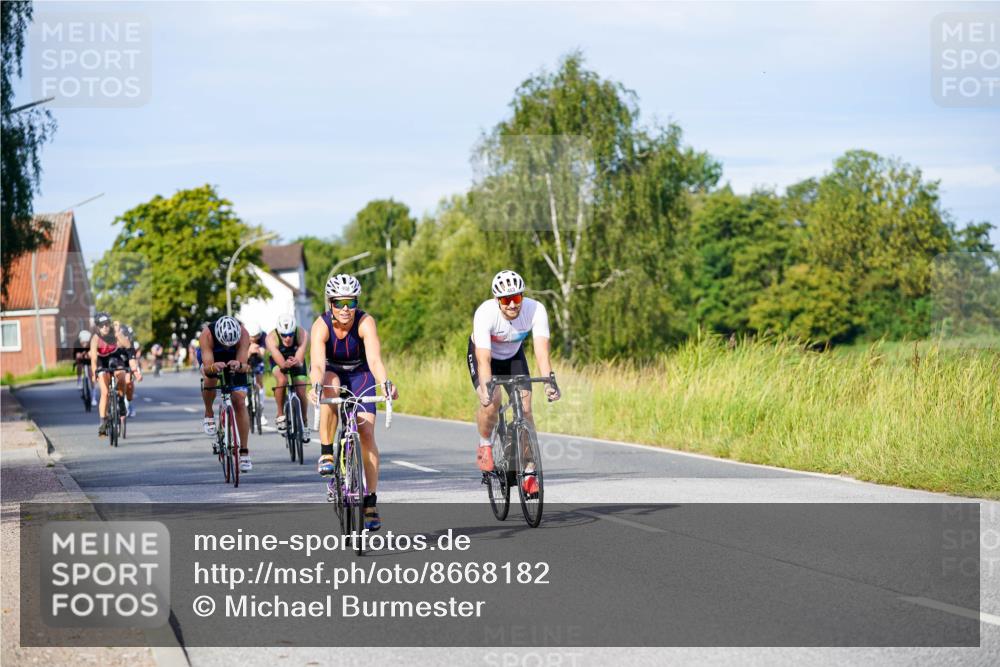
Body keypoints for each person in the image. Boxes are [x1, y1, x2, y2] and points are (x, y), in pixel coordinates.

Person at [309, 274, 397, 531]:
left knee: (366, 433)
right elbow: (317, 364)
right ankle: (327, 453)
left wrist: (386, 383)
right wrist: (316, 385)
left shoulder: (365, 322)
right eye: (340, 302)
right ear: (331, 303)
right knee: (331, 388)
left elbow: (375, 361)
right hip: (332, 372)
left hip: (361, 374)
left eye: (351, 302)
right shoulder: (321, 325)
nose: (346, 308)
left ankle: (370, 502)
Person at [468, 270, 560, 495]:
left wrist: (549, 382)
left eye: (516, 298)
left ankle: (529, 471)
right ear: (497, 300)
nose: (512, 304)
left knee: (526, 410)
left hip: (513, 357)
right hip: (486, 357)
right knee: (492, 401)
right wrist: (486, 389)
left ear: (522, 296)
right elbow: (483, 359)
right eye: (506, 299)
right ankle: (485, 444)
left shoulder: (535, 309)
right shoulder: (485, 313)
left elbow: (541, 352)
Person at [198, 315, 253, 472]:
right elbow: (208, 368)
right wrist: (213, 367)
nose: (228, 347)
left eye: (231, 344)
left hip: (234, 358)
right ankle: (209, 413)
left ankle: (244, 452)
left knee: (240, 402)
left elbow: (244, 366)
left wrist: (239, 365)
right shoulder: (207, 335)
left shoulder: (243, 334)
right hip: (212, 357)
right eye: (225, 344)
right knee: (210, 378)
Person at [266, 313, 309, 440]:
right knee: (282, 380)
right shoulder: (271, 338)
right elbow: (280, 362)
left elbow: (300, 358)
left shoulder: (302, 334)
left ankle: (304, 421)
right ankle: (280, 415)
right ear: (279, 333)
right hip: (278, 360)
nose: (288, 338)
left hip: (296, 359)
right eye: (284, 335)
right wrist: (284, 365)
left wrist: (296, 362)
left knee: (301, 388)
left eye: (290, 334)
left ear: (294, 330)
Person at [90, 312, 128, 437]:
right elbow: (94, 359)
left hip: (115, 358)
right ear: (98, 327)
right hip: (102, 361)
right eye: (102, 325)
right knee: (105, 392)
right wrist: (94, 373)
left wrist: (119, 334)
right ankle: (103, 423)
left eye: (107, 324)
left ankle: (121, 400)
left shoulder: (114, 333)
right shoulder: (95, 339)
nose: (105, 327)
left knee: (122, 375)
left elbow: (127, 345)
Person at [116, 324, 143, 417]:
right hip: (114, 367)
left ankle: (128, 405)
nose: (127, 338)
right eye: (125, 336)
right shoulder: (112, 346)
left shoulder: (130, 346)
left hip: (126, 366)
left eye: (129, 336)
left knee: (129, 383)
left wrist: (137, 372)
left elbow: (133, 361)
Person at [246, 322, 268, 425]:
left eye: (256, 337)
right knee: (244, 377)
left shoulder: (263, 336)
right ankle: (247, 399)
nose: (254, 339)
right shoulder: (243, 337)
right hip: (246, 360)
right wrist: (250, 351)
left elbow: (262, 354)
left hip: (258, 360)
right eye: (252, 337)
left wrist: (257, 351)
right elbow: (242, 356)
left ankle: (261, 410)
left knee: (259, 381)